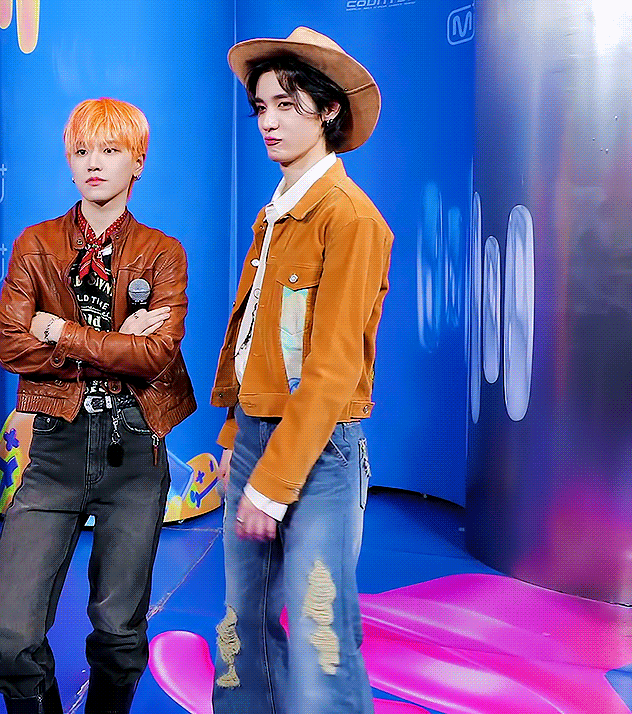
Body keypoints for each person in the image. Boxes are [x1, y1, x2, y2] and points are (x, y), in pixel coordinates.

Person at [211, 27, 393, 714]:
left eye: (287, 105)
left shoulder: (351, 219)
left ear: (328, 110)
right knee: (241, 631)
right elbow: (254, 341)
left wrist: (273, 484)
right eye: (261, 107)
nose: (270, 121)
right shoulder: (274, 215)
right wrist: (237, 442)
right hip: (255, 439)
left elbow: (333, 365)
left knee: (320, 639)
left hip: (320, 454)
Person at [0, 98, 196, 714]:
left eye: (110, 150)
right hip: (56, 447)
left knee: (117, 633)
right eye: (82, 150)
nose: (93, 163)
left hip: (134, 448)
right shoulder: (35, 244)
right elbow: (10, 344)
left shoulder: (163, 252)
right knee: (9, 633)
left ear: (137, 162)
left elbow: (154, 356)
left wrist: (58, 332)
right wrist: (115, 343)